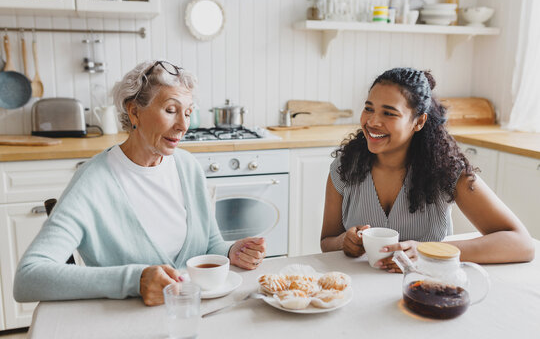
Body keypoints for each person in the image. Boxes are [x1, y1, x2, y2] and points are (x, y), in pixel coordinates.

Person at [14, 60, 266, 306]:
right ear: (134, 111)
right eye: (170, 110)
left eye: (188, 113)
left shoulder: (188, 167)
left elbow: (210, 245)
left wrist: (231, 251)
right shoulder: (93, 182)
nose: (183, 125)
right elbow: (29, 278)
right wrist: (135, 281)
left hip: (193, 316)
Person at [320, 67, 534, 271]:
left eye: (389, 113)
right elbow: (326, 242)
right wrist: (344, 242)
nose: (373, 121)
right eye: (369, 108)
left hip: (427, 290)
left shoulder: (446, 170)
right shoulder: (344, 167)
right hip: (359, 290)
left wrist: (428, 251)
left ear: (419, 122)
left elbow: (521, 244)